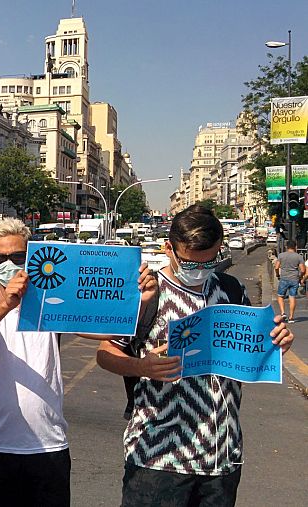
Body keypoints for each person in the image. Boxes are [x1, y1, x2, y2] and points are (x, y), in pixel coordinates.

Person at [95, 205, 294, 507]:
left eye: (210, 260)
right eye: (189, 262)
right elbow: (105, 352)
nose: (199, 269)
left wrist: (276, 342)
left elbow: (253, 351)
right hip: (157, 458)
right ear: (169, 249)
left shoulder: (231, 290)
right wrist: (141, 366)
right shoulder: (147, 294)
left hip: (221, 457)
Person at [0, 218, 155, 507]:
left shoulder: (50, 302)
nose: (8, 263)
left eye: (17, 256)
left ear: (30, 259)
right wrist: (8, 302)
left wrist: (139, 301)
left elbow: (105, 326)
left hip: (48, 446)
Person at [274, 240, 305, 323]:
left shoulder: (281, 255)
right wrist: (300, 277)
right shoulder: (299, 257)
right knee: (292, 297)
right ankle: (291, 317)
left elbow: (276, 267)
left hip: (284, 278)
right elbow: (302, 270)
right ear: (295, 247)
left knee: (280, 296)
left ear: (286, 247)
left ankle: (283, 312)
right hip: (294, 279)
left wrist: (277, 275)